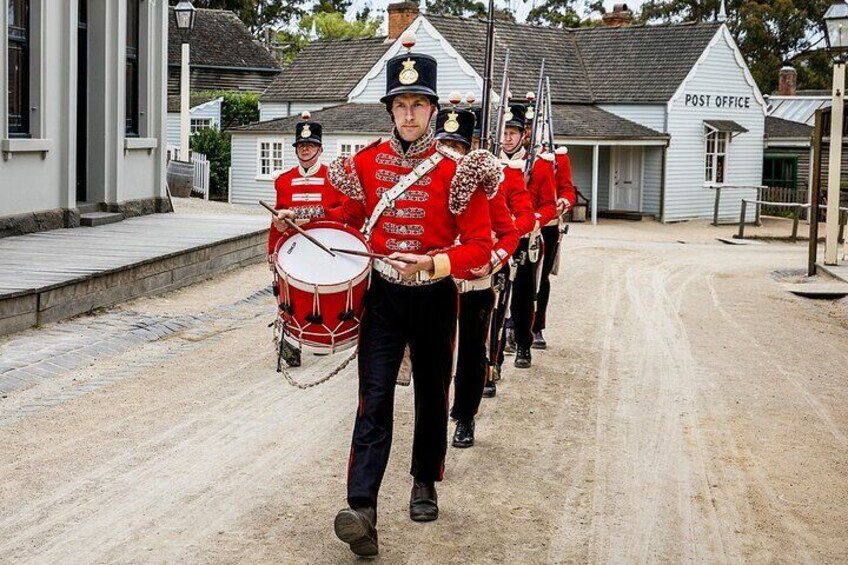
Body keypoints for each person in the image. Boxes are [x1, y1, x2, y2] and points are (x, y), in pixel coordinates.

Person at [326, 38, 498, 558]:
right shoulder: (365, 164)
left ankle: (424, 480)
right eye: (400, 105)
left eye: (418, 104)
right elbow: (344, 224)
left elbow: (481, 247)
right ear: (389, 111)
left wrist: (434, 262)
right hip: (382, 297)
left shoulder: (456, 171)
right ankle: (363, 509)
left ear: (433, 109)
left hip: (434, 296)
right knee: (373, 398)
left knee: (429, 393)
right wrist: (308, 230)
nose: (408, 113)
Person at [435, 102, 518, 449]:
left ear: (469, 149)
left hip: (475, 283)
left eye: (457, 146)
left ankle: (465, 416)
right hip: (439, 284)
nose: (450, 152)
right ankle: (436, 414)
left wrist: (494, 259)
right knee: (437, 356)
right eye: (444, 145)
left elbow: (509, 233)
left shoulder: (487, 188)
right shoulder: (432, 183)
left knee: (471, 354)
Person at [267, 113, 342, 367]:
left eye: (310, 145)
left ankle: (320, 335)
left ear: (320, 149)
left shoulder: (333, 177)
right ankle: (290, 341)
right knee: (289, 294)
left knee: (321, 293)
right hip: (293, 248)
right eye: (301, 145)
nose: (305, 149)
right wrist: (272, 250)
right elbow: (277, 217)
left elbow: (341, 213)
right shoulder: (284, 180)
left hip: (324, 245)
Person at [497, 104, 557, 369]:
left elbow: (549, 206)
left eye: (513, 132)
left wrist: (535, 220)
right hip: (496, 238)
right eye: (504, 132)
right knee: (495, 301)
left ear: (523, 135)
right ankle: (493, 356)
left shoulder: (541, 166)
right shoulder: (489, 162)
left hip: (524, 237)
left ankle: (523, 344)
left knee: (523, 295)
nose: (507, 137)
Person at [532, 145, 576, 349]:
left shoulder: (557, 156)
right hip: (517, 224)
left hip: (547, 224)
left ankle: (536, 325)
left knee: (542, 276)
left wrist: (563, 202)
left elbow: (567, 189)